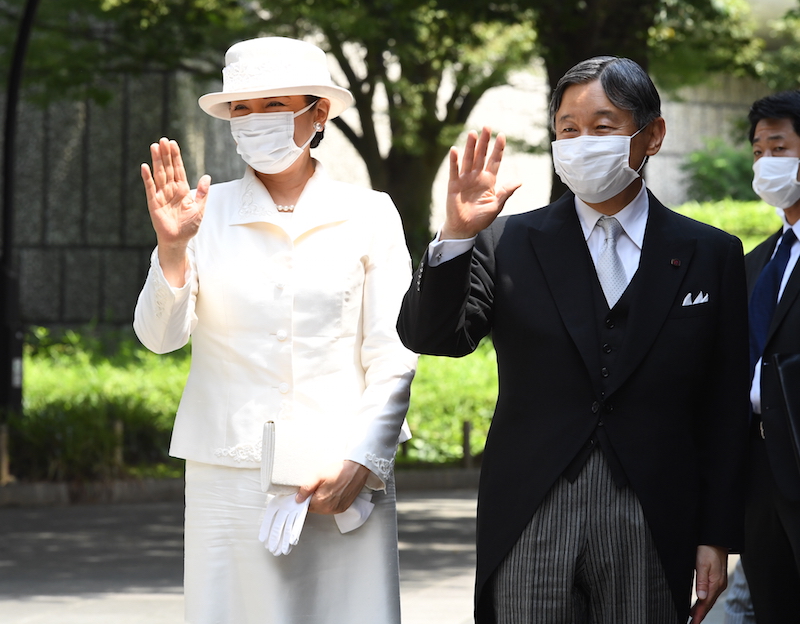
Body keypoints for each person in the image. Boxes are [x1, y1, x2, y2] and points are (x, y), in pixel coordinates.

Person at [397, 56, 750, 624]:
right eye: (568, 129)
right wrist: (457, 236)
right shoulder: (508, 240)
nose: (582, 141)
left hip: (654, 513)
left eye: (603, 126)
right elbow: (433, 336)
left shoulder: (711, 254)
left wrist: (717, 535)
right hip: (531, 508)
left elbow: (725, 408)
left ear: (652, 135)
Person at [133, 36, 417, 624]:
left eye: (273, 105)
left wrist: (363, 460)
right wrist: (171, 250)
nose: (254, 121)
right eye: (241, 108)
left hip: (342, 472)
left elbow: (393, 353)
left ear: (319, 114)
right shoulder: (199, 213)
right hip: (228, 476)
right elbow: (160, 337)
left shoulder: (370, 212)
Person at [740, 89, 800, 624]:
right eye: (758, 151)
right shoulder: (757, 261)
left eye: (778, 148)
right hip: (759, 473)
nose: (765, 163)